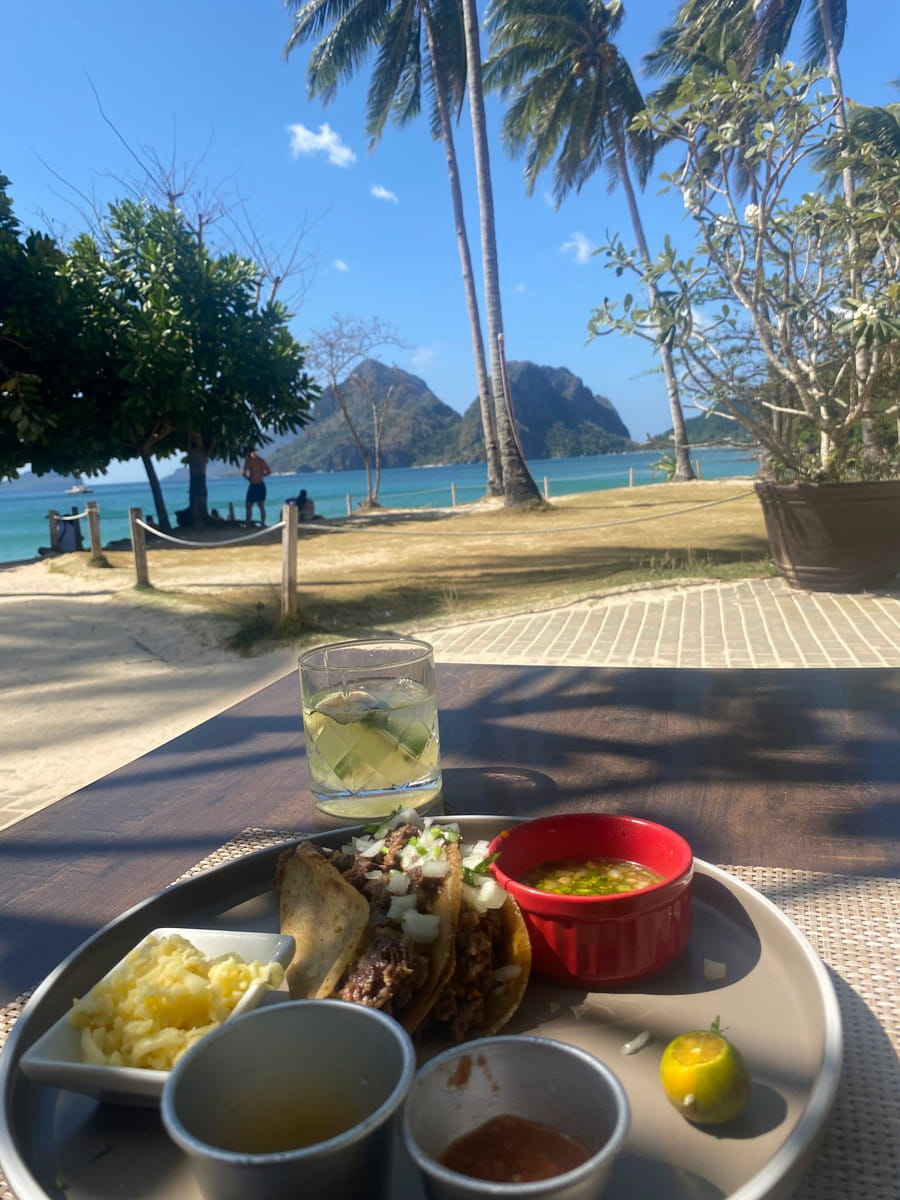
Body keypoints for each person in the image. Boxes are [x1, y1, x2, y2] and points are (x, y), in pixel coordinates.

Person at [243, 448, 272, 526]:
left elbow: (244, 473)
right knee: (261, 506)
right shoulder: (261, 460)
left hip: (254, 485)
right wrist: (261, 476)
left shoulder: (249, 461)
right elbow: (269, 472)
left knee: (249, 505)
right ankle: (262, 524)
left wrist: (250, 479)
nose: (246, 456)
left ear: (249, 453)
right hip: (261, 484)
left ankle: (248, 524)